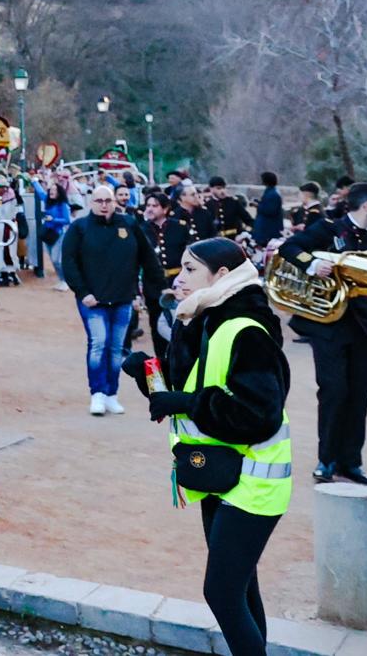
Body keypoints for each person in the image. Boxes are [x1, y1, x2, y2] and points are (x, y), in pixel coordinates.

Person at [123, 239, 291, 656]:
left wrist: (183, 401)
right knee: (241, 589)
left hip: (254, 482)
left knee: (222, 592)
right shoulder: (202, 317)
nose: (178, 279)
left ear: (221, 276)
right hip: (219, 473)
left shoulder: (246, 326)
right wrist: (149, 378)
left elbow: (258, 414)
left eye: (190, 270)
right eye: (179, 269)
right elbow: (193, 391)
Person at [278, 182, 367, 485]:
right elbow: (289, 248)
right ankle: (327, 460)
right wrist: (312, 262)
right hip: (330, 326)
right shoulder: (328, 229)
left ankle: (351, 462)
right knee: (334, 392)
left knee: (359, 395)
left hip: (364, 328)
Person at [62, 185, 165, 416]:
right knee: (99, 344)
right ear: (91, 202)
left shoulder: (128, 224)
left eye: (107, 200)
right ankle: (97, 393)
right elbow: (69, 262)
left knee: (117, 348)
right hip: (92, 300)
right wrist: (82, 292)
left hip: (122, 298)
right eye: (99, 200)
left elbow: (147, 258)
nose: (104, 205)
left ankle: (111, 394)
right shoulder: (79, 227)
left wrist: (161, 288)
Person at [134, 192, 176, 357]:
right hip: (153, 288)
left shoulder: (179, 227)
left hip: (178, 285)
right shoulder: (140, 230)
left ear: (165, 209)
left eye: (154, 206)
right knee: (157, 327)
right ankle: (162, 363)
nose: (150, 209)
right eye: (148, 206)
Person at [41, 181, 73, 290]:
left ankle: (65, 281)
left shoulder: (62, 204)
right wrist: (34, 181)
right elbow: (40, 193)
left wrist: (53, 219)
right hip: (48, 234)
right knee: (52, 259)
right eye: (51, 190)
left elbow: (67, 220)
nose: (52, 191)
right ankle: (61, 280)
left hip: (58, 234)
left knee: (57, 259)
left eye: (55, 190)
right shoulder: (48, 201)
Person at [251, 172, 284, 248]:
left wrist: (257, 205)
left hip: (268, 229)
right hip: (265, 228)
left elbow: (270, 211)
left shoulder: (273, 194)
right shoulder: (270, 192)